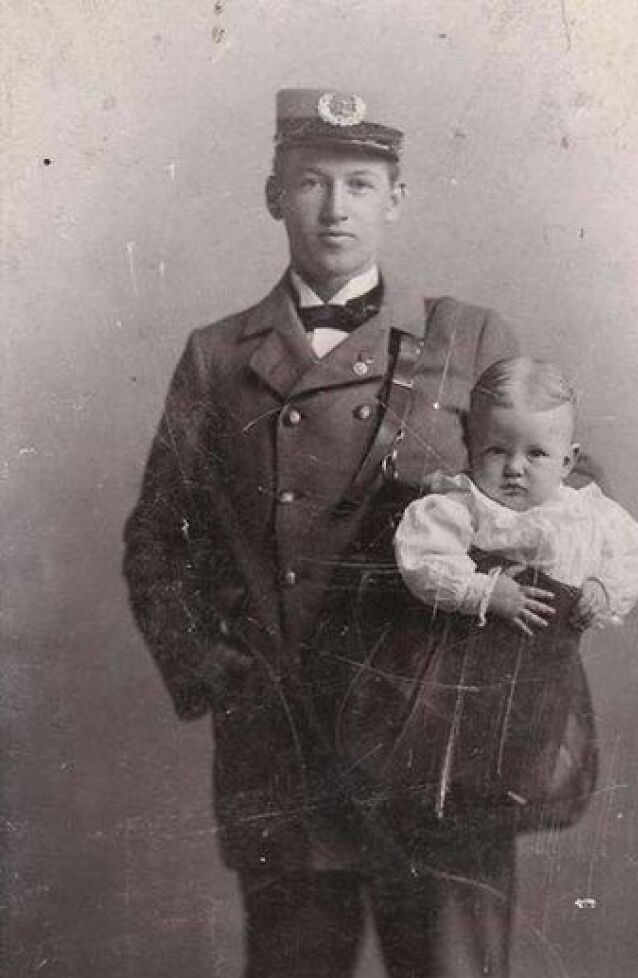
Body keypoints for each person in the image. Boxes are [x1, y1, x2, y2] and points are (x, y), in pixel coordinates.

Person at [123, 88, 525, 978]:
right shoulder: (217, 356)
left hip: (437, 749)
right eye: (312, 182)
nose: (336, 208)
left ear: (397, 198)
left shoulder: (466, 341)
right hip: (288, 750)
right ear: (275, 196)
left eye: (360, 182)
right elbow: (157, 538)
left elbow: (566, 493)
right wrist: (218, 674)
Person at [394, 356, 638, 634]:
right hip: (471, 648)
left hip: (554, 659)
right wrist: (482, 591)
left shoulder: (586, 510)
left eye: (536, 453)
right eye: (496, 450)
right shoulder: (461, 505)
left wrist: (603, 587)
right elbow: (423, 559)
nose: (514, 468)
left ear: (567, 462)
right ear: (471, 451)